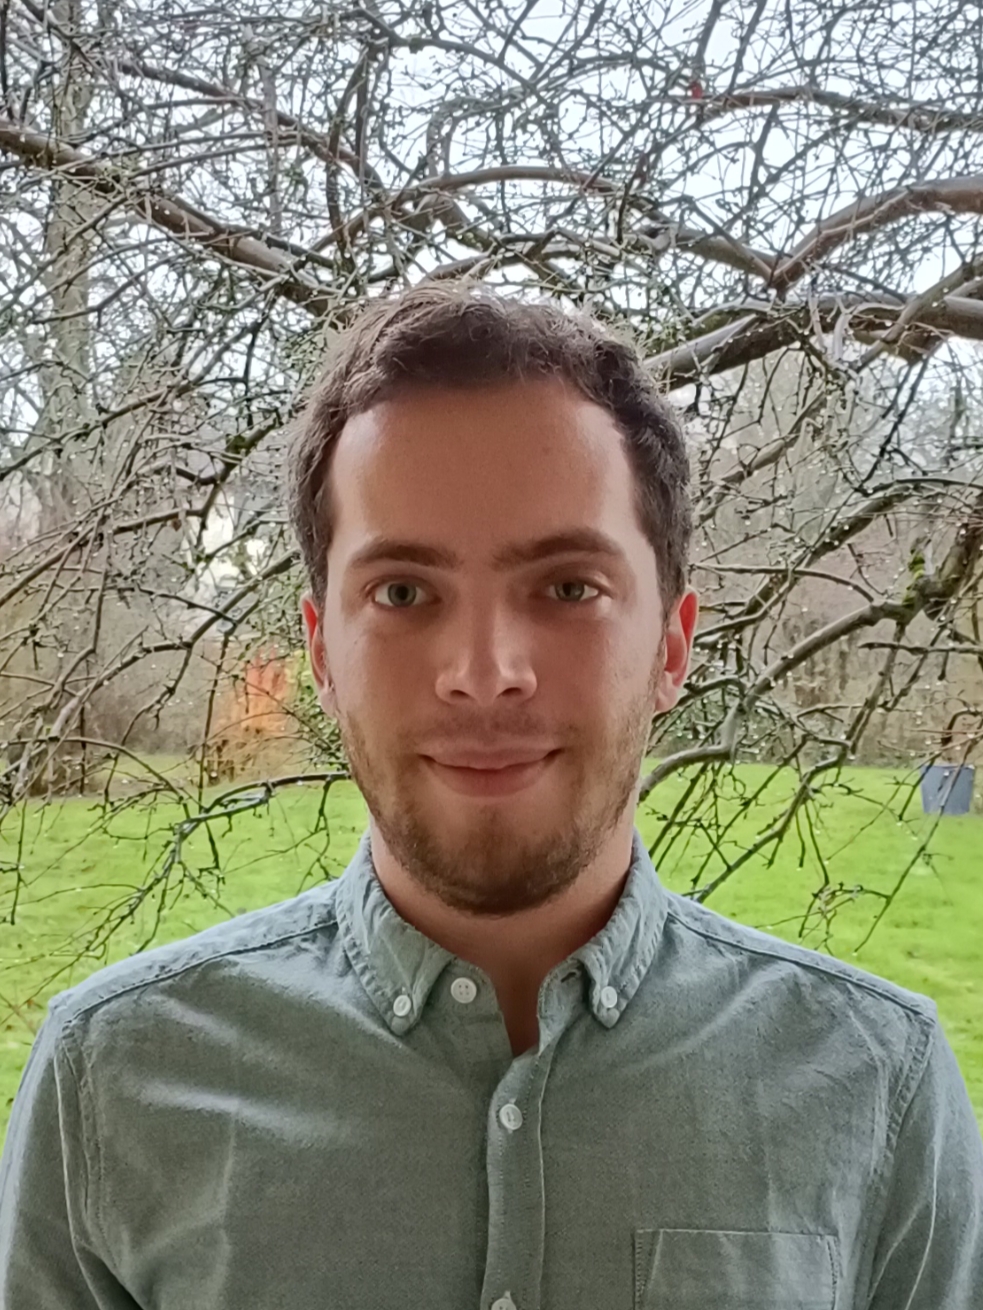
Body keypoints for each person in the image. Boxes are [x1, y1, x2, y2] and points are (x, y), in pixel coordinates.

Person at [1, 284, 981, 1310]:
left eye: (566, 587)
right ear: (321, 653)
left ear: (671, 645)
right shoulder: (112, 1083)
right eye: (402, 592)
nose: (483, 672)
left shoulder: (875, 1085)